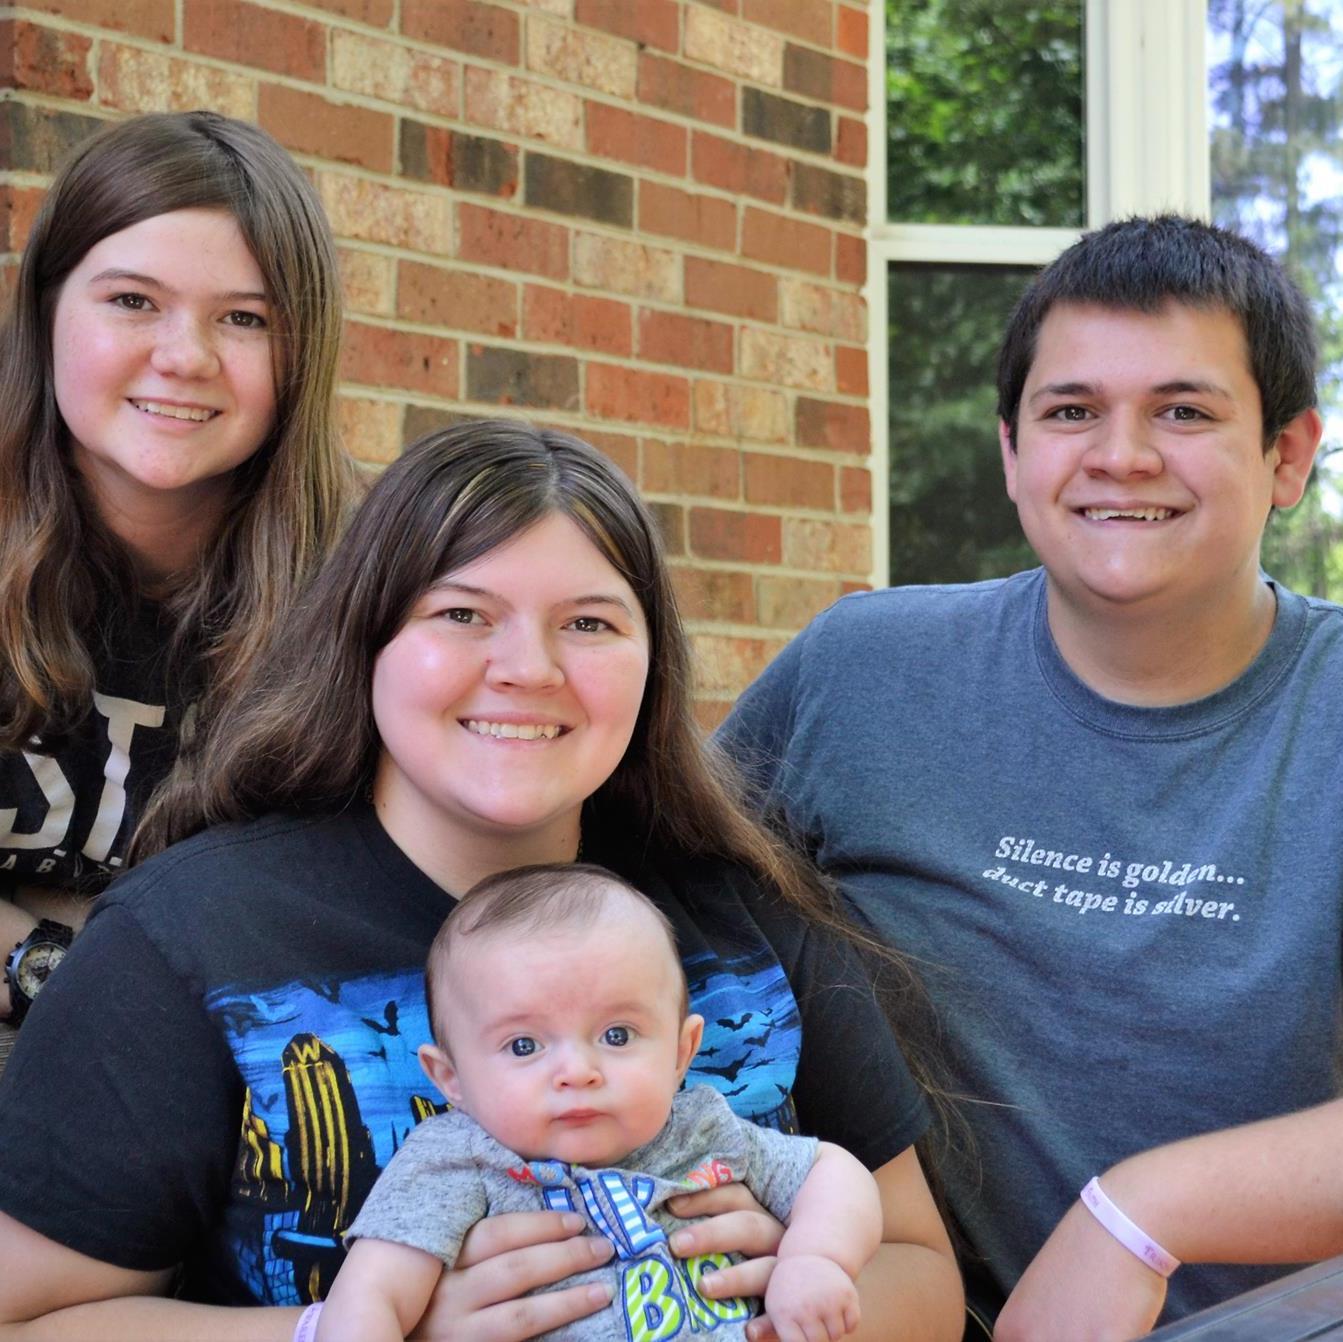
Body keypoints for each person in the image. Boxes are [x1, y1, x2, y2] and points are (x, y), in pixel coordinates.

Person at [0, 421, 963, 1342]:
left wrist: (789, 1298)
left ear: (652, 666)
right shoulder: (188, 941)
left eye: (588, 623)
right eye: (463, 614)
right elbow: (29, 1318)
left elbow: (922, 1271)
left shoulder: (751, 916)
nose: (527, 669)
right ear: (366, 637)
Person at [718, 214, 1343, 1340]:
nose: (1120, 455)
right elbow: (630, 910)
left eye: (1184, 411)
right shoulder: (862, 676)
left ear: (1287, 455)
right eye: (1070, 412)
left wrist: (1136, 1214)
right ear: (1011, 452)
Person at [0, 111, 352, 1032]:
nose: (185, 357)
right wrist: (44, 964)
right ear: (45, 308)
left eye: (244, 319)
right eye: (132, 302)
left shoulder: (366, 585)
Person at [318, 863, 883, 1342]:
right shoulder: (453, 1163)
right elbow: (370, 1299)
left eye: (617, 1035)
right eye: (524, 1045)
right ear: (451, 1078)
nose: (578, 1073)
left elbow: (831, 1172)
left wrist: (814, 1259)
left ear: (682, 1052)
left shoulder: (702, 1127)